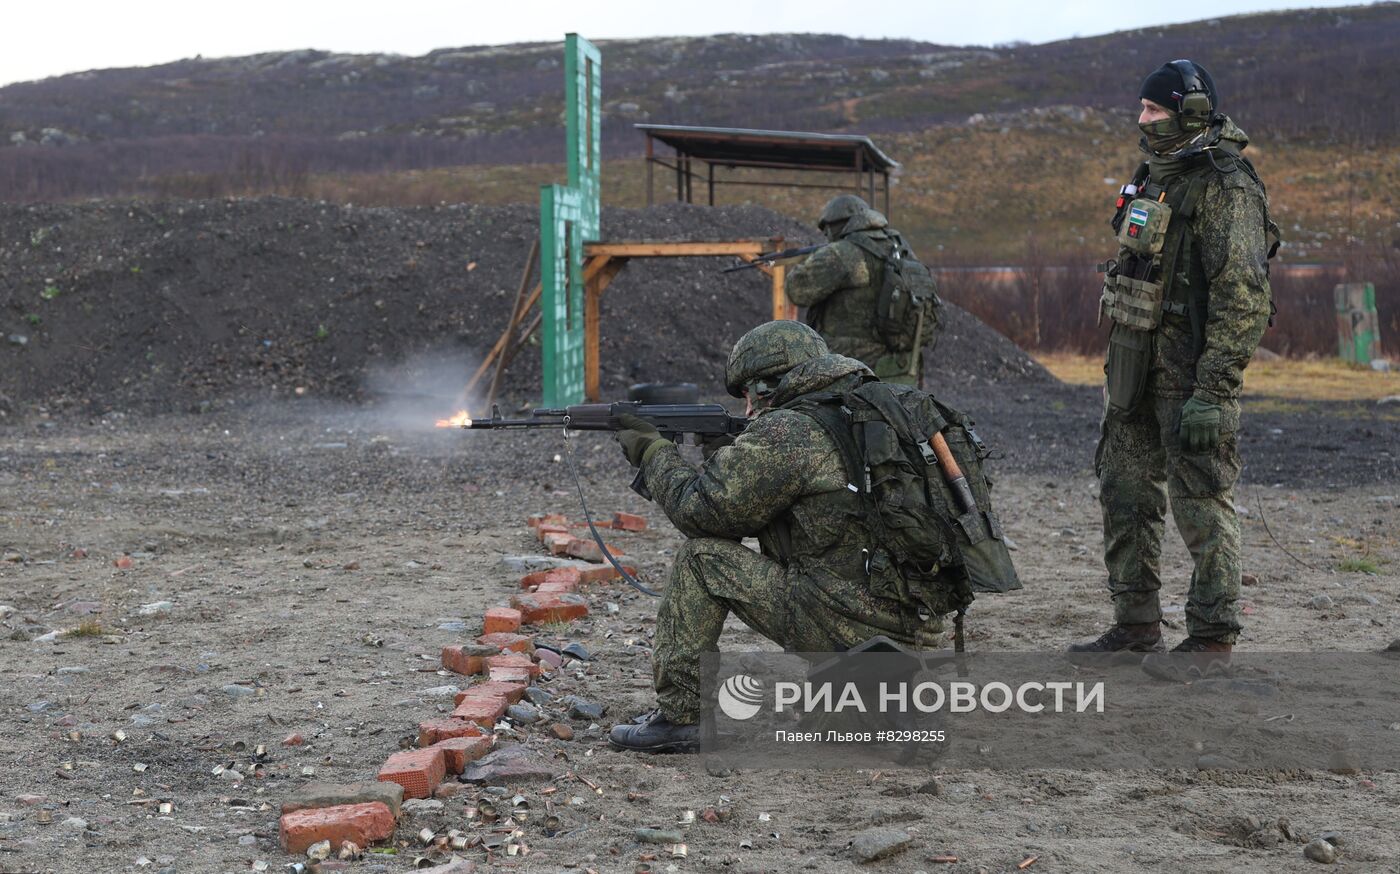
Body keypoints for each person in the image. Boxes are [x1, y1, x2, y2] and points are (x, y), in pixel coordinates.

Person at [606, 321, 973, 752]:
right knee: (829, 724)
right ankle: (889, 694)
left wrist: (653, 453)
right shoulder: (879, 412)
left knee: (701, 561)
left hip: (845, 618)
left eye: (748, 394)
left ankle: (682, 718)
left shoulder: (792, 430)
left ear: (769, 384)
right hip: (918, 621)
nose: (746, 411)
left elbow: (702, 512)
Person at [1070, 60, 1277, 676]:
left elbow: (1243, 296)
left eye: (1154, 110)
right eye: (1141, 108)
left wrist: (1214, 392)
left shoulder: (1227, 187)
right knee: (1125, 491)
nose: (1142, 119)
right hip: (1133, 368)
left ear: (1189, 112)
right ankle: (1135, 626)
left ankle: (1213, 639)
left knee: (1201, 500)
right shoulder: (1150, 176)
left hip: (1190, 379)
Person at [784, 195, 939, 386]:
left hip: (854, 370)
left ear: (835, 224)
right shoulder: (900, 247)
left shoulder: (843, 252)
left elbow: (798, 290)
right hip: (902, 366)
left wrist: (807, 261)